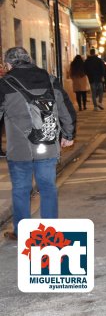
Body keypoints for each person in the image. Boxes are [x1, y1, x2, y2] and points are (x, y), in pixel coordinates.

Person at [0, 47, 76, 240]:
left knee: (21, 189)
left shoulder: (5, 84)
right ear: (29, 59)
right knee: (48, 187)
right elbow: (65, 108)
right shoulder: (50, 80)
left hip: (19, 149)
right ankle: (49, 232)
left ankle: (22, 232)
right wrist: (68, 133)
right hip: (48, 144)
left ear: (8, 64)